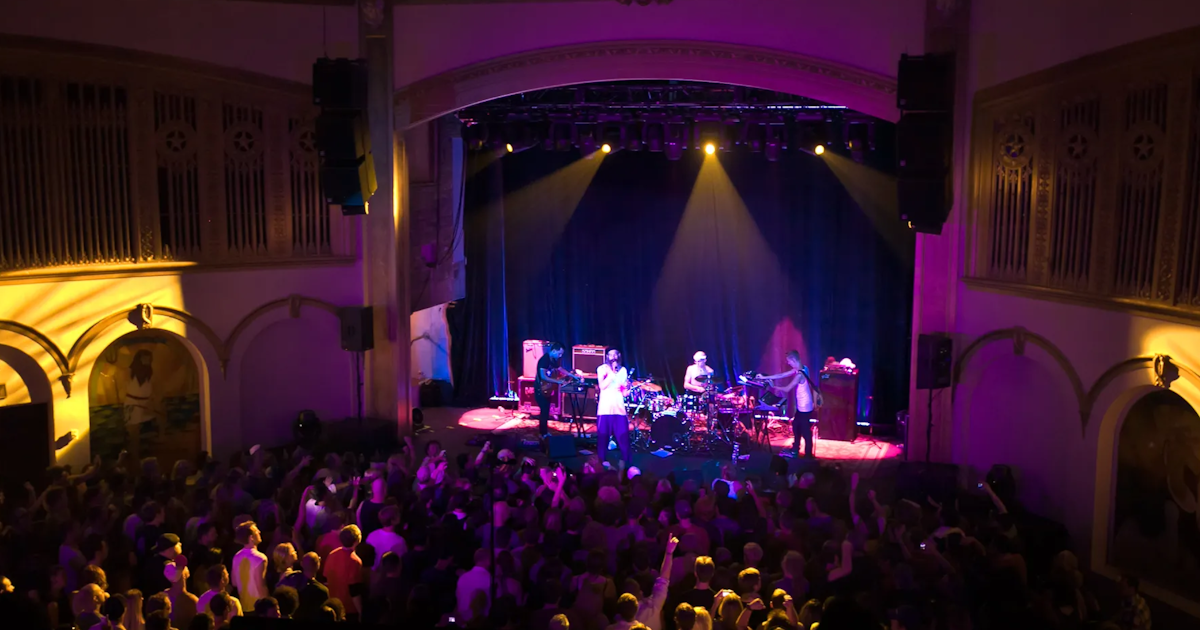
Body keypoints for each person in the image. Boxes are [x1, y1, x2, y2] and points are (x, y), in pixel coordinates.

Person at [758, 351, 822, 459]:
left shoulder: (799, 375)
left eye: (789, 361)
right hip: (803, 406)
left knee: (805, 431)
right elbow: (782, 375)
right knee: (796, 426)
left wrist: (774, 386)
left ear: (793, 360)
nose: (788, 363)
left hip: (804, 408)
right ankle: (795, 449)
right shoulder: (804, 368)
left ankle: (808, 456)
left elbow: (787, 388)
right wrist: (764, 378)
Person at [596, 347, 632, 475]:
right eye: (610, 355)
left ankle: (626, 465)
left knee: (623, 438)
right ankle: (600, 464)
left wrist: (627, 389)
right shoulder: (601, 369)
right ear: (607, 357)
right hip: (605, 409)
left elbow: (624, 392)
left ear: (619, 356)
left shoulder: (623, 370)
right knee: (603, 438)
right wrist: (612, 373)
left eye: (615, 355)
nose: (613, 357)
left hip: (619, 409)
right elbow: (602, 386)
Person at [230, 522, 267, 612]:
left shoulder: (236, 556)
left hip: (244, 606)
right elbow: (260, 585)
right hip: (258, 607)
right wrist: (268, 605)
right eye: (256, 531)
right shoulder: (260, 558)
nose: (259, 531)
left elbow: (234, 582)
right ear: (251, 538)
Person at [536, 342, 571, 439]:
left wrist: (572, 375)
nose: (560, 356)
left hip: (547, 389)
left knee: (546, 411)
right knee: (544, 411)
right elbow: (543, 376)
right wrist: (557, 381)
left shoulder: (552, 359)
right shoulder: (544, 360)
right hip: (540, 389)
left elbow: (560, 369)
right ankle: (543, 433)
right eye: (559, 354)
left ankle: (544, 432)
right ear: (554, 351)